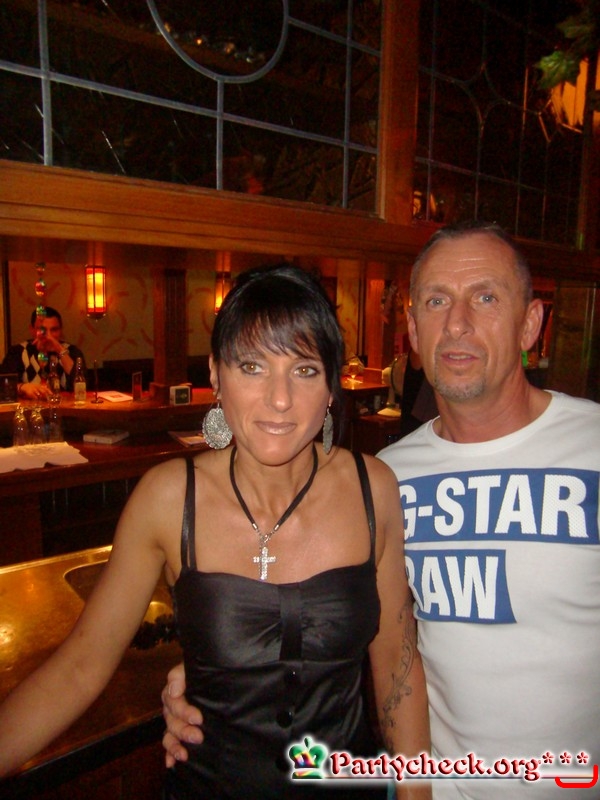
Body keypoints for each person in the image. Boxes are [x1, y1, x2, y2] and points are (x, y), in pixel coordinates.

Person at [162, 224, 600, 798]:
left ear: (531, 323)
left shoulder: (591, 446)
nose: (458, 323)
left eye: (486, 297)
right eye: (437, 301)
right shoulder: (383, 480)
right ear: (413, 330)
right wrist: (209, 673)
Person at [0, 264, 430, 799]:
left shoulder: (374, 489)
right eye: (252, 366)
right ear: (216, 377)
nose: (279, 399)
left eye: (304, 370)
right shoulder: (168, 498)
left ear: (330, 387)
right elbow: (80, 667)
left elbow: (397, 665)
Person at [0, 307, 86, 400]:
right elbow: (3, 385)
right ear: (32, 330)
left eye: (54, 330)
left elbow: (83, 386)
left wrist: (60, 350)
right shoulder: (18, 352)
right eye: (42, 330)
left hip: (65, 407)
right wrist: (22, 387)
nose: (48, 336)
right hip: (29, 408)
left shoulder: (72, 351)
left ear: (61, 330)